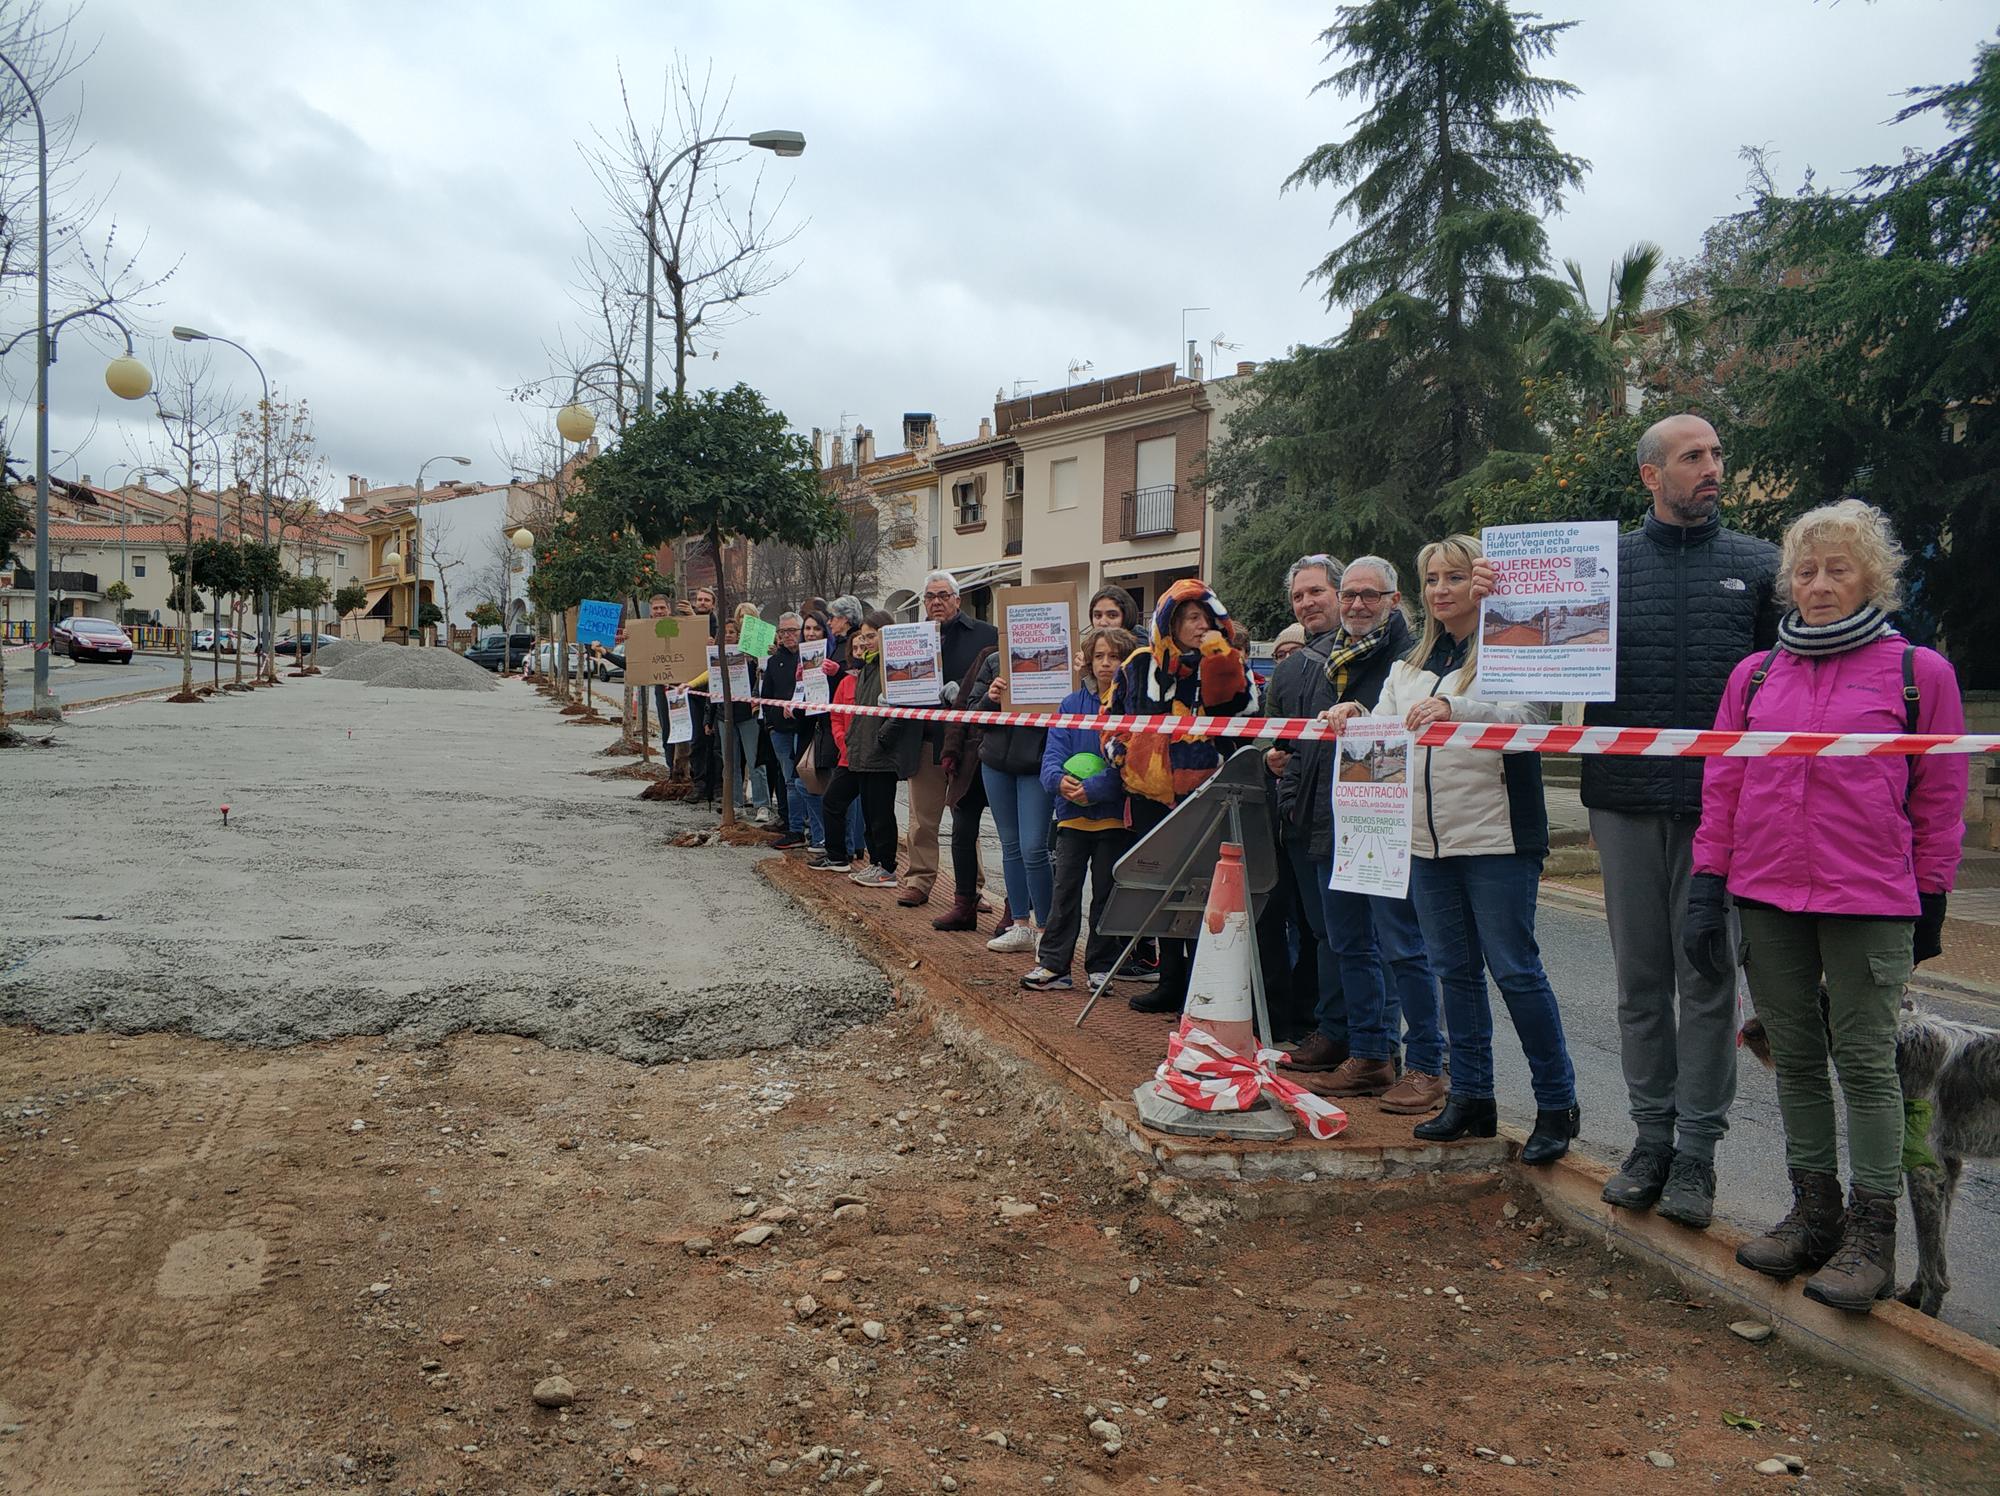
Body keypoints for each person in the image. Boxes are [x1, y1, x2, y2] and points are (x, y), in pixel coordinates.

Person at [1693, 499, 1964, 1311]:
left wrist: (1933, 896)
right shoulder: (1755, 676)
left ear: (1872, 577)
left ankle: (1872, 1239)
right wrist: (1711, 881)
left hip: (1871, 897)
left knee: (1869, 1064)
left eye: (1838, 568)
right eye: (1806, 570)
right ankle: (1815, 1216)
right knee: (1797, 1059)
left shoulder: (1922, 675)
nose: (1819, 584)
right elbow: (1725, 783)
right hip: (1767, 891)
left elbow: (1940, 795)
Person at [1587, 413, 1782, 1230]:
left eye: (1716, 455)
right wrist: (1505, 604)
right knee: (1640, 983)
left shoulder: (1761, 566)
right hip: (1623, 802)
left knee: (1706, 981)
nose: (1712, 469)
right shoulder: (1600, 567)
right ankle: (1650, 1141)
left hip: (1722, 810)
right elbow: (1526, 663)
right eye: (1692, 457)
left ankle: (1697, 1155)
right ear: (1649, 475)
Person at [1341, 535, 1579, 1161]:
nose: (1442, 589)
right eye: (1431, 579)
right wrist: (1352, 717)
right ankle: (1472, 1097)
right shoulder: (1406, 665)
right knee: (1455, 974)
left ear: (1481, 582)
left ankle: (1557, 1102)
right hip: (1424, 840)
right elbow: (1388, 737)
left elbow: (1532, 716)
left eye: (1454, 576)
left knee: (1515, 971)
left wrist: (1455, 705)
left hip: (1499, 834)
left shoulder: (1513, 646)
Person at [1289, 556, 1447, 1115]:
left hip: (1393, 822)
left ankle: (1428, 1062)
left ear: (1394, 599)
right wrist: (1353, 710)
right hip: (1342, 816)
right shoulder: (1330, 656)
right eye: (1350, 594)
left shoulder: (1412, 657)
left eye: (1369, 595)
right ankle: (1370, 1055)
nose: (1357, 604)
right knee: (1350, 943)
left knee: (1404, 948)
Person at [1104, 578, 1259, 1015]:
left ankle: (1204, 985)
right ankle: (1170, 980)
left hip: (1213, 797)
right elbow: (1111, 720)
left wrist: (1217, 657)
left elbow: (1241, 712)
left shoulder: (1231, 662)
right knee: (1162, 889)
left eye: (1206, 617)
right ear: (1170, 621)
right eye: (1190, 617)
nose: (1199, 624)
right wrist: (1124, 761)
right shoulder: (1137, 665)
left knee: (1209, 893)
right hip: (1152, 799)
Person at [1023, 624, 1138, 990]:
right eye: (1099, 656)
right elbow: (1052, 755)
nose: (1106, 664)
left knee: (1106, 894)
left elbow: (1133, 762)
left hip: (1113, 819)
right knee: (1065, 892)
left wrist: (1096, 788)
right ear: (1088, 661)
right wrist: (1059, 782)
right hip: (1071, 818)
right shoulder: (1071, 704)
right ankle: (1054, 965)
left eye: (1115, 657)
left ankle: (1101, 965)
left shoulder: (1133, 705)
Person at [1263, 556, 1346, 1052]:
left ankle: (1360, 1040)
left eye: (1317, 592)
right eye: (1299, 596)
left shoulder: (1381, 656)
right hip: (1301, 817)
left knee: (1357, 938)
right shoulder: (1291, 671)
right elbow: (1272, 738)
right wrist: (1274, 760)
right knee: (1322, 931)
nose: (1308, 602)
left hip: (1358, 816)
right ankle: (1330, 1029)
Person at [898, 571, 998, 910]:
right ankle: (919, 880)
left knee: (965, 819)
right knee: (922, 819)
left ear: (957, 598)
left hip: (966, 744)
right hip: (924, 739)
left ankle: (972, 888)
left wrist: (964, 688)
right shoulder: (911, 637)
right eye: (929, 596)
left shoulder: (986, 635)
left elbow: (996, 679)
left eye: (943, 595)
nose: (936, 602)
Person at [949, 643, 1051, 953]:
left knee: (1034, 847)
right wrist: (990, 699)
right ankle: (1019, 923)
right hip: (996, 764)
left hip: (1035, 764)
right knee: (1010, 846)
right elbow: (973, 716)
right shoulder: (993, 661)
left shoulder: (1059, 662)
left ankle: (1046, 928)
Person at [818, 610, 920, 887]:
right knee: (870, 813)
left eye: (871, 636)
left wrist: (881, 739)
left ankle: (886, 866)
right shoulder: (867, 669)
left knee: (880, 814)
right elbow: (857, 714)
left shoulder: (893, 667)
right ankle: (875, 862)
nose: (865, 643)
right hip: (862, 752)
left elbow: (902, 710)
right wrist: (853, 739)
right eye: (863, 637)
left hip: (880, 755)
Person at [783, 611, 831, 852]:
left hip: (825, 731)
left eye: (816, 629)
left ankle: (825, 837)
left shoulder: (830, 657)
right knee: (804, 783)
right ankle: (819, 835)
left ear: (824, 632)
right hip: (805, 730)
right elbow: (802, 698)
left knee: (814, 785)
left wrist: (830, 676)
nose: (811, 633)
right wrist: (793, 705)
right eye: (808, 629)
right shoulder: (802, 660)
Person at [762, 612, 805, 847]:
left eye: (792, 631)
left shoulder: (809, 658)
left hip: (804, 727)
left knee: (803, 780)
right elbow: (766, 696)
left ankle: (805, 825)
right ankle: (794, 826)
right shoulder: (774, 661)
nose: (787, 636)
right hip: (780, 729)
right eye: (782, 632)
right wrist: (770, 723)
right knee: (789, 780)